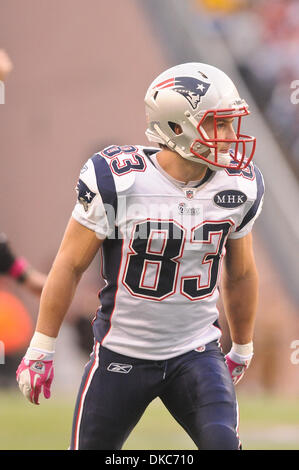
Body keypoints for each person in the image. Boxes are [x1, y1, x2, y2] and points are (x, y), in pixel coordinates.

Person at [16, 62, 264, 450]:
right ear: (176, 127)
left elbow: (242, 273)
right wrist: (40, 346)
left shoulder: (239, 185)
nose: (232, 137)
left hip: (195, 352)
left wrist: (242, 346)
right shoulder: (120, 180)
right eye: (219, 124)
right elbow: (70, 263)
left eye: (232, 123)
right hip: (122, 353)